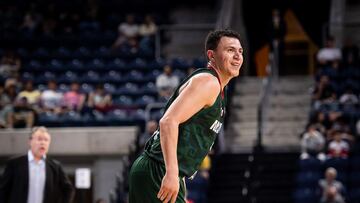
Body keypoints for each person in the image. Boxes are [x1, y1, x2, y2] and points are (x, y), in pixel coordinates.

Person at [129, 29, 243, 203]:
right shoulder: (208, 82)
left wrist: (178, 176)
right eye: (230, 50)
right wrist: (172, 173)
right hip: (157, 169)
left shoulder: (218, 87)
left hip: (158, 169)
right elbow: (168, 122)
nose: (237, 56)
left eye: (240, 51)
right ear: (212, 55)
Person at [0, 126, 75, 203]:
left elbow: (68, 189)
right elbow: (3, 191)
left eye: (46, 140)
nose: (43, 143)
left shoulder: (55, 166)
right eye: (39, 139)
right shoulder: (14, 163)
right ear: (30, 141)